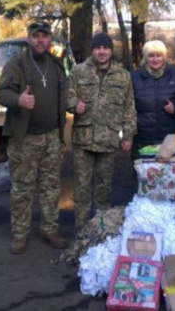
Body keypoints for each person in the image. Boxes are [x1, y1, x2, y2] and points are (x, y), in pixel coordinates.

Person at [0, 21, 68, 254]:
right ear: (29, 39)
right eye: (35, 36)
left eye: (44, 36)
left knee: (51, 187)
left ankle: (50, 229)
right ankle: (20, 234)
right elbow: (0, 93)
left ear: (50, 40)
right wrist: (19, 100)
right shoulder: (16, 64)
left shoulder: (56, 65)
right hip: (24, 139)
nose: (40, 40)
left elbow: (63, 95)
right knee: (23, 189)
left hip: (52, 137)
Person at [67, 32, 136, 231]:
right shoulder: (78, 71)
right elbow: (67, 96)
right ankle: (81, 229)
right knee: (81, 187)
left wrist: (128, 135)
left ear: (111, 51)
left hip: (109, 139)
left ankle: (100, 228)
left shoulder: (123, 75)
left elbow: (129, 107)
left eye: (106, 48)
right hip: (84, 139)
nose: (102, 52)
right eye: (98, 48)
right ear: (93, 50)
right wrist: (73, 105)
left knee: (104, 187)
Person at [130, 40, 175, 155]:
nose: (155, 59)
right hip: (142, 140)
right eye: (151, 55)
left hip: (171, 140)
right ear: (145, 58)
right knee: (144, 172)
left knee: (169, 173)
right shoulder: (133, 78)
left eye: (159, 55)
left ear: (164, 57)